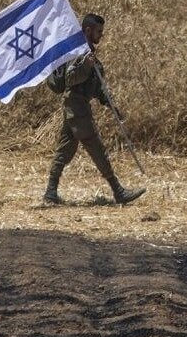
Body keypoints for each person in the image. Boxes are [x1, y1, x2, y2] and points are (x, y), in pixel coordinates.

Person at [44, 13, 145, 206]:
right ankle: (118, 191)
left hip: (76, 107)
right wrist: (86, 66)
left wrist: (110, 104)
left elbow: (97, 87)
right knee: (96, 147)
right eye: (99, 31)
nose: (101, 35)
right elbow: (70, 79)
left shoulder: (89, 54)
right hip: (76, 106)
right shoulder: (79, 54)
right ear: (88, 31)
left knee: (64, 150)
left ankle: (50, 192)